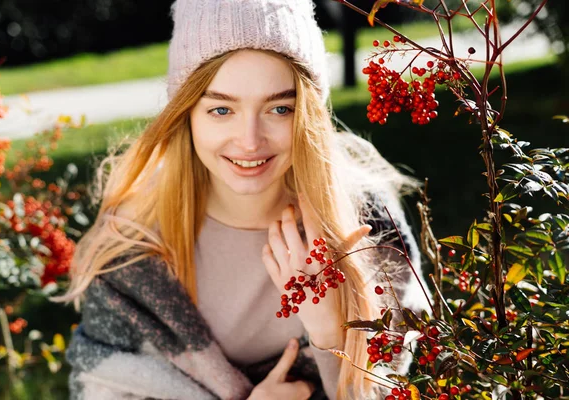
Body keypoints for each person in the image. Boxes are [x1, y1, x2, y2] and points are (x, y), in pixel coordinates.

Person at [53, 0, 430, 399]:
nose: (250, 141)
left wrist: (329, 333)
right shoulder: (134, 245)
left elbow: (396, 386)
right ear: (186, 114)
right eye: (221, 109)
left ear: (309, 115)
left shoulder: (366, 224)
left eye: (279, 108)